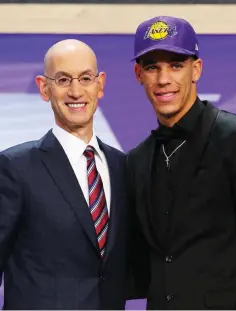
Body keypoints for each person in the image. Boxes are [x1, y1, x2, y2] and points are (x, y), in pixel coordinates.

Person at [127, 15, 236, 309]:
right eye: (152, 67)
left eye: (175, 65)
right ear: (138, 74)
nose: (163, 79)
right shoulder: (137, 160)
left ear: (196, 69)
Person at [0, 39, 129, 310]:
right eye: (62, 80)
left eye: (85, 78)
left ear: (100, 84)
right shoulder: (15, 167)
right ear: (43, 88)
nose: (75, 91)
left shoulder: (122, 166)